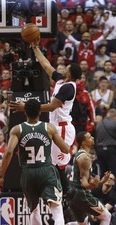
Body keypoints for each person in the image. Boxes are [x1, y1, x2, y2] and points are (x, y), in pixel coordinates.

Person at [0, 99, 71, 225]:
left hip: (28, 173)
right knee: (56, 208)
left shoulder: (17, 129)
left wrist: (1, 176)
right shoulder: (49, 128)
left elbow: (8, 153)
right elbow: (65, 149)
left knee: (34, 212)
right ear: (40, 112)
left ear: (24, 112)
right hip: (46, 170)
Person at [10, 40, 82, 195]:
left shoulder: (69, 88)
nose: (62, 68)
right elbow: (47, 66)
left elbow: (51, 106)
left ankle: (67, 194)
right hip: (55, 125)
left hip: (62, 128)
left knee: (57, 164)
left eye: (66, 68)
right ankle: (60, 192)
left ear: (69, 74)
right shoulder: (62, 80)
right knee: (51, 161)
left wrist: (27, 107)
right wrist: (35, 49)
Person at [55, 131, 113, 225]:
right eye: (89, 137)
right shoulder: (85, 158)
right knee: (107, 216)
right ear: (83, 142)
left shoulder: (80, 155)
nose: (92, 138)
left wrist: (101, 181)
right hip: (81, 194)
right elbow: (85, 184)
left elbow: (84, 180)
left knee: (82, 223)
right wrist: (96, 183)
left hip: (72, 194)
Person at [95, 108, 116, 177]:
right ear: (115, 115)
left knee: (103, 173)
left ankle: (103, 187)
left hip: (100, 150)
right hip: (111, 149)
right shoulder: (115, 122)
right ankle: (114, 187)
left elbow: (96, 139)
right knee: (114, 172)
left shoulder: (99, 124)